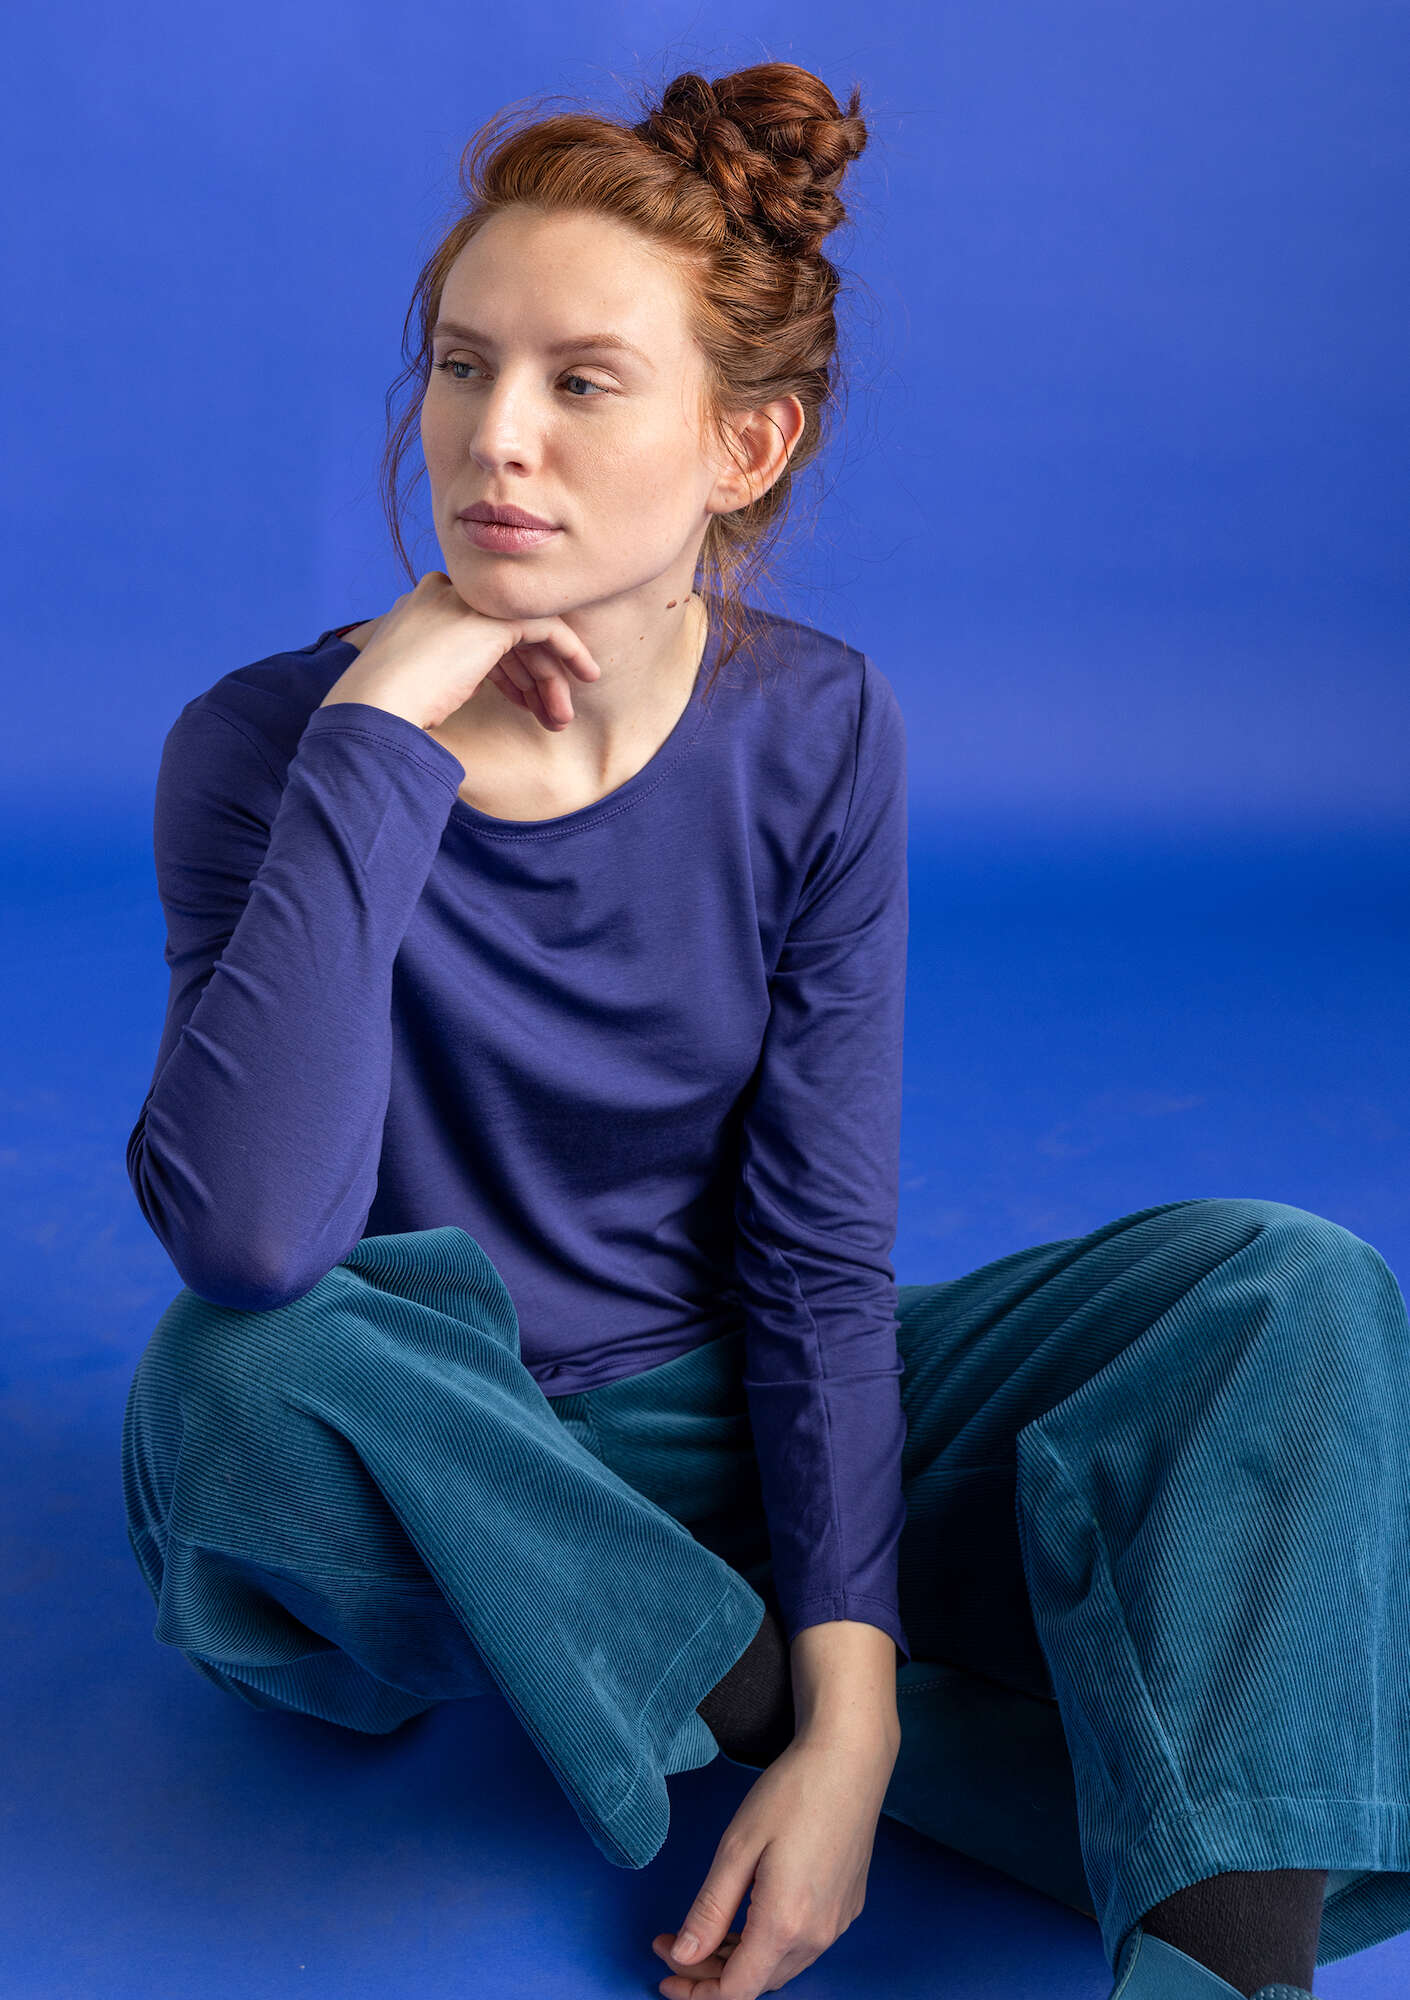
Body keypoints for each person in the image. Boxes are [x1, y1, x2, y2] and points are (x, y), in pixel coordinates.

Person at [118, 60, 1410, 2000]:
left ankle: (1218, 1968)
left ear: (745, 443)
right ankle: (842, 1721)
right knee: (232, 1377)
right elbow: (247, 1235)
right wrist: (375, 739)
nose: (494, 438)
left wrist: (856, 1724)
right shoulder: (262, 746)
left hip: (715, 1412)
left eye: (580, 381)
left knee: (1281, 1284)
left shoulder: (814, 728)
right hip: (429, 1452)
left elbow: (812, 1258)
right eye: (462, 367)